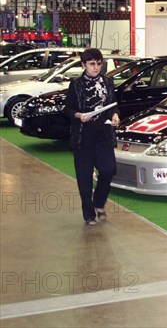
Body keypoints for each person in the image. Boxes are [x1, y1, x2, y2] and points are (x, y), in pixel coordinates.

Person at [64, 48, 120, 226]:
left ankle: (99, 201)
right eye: (91, 64)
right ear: (83, 65)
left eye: (98, 63)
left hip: (103, 135)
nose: (96, 68)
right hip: (83, 137)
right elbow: (67, 109)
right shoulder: (76, 84)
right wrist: (79, 115)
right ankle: (89, 213)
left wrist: (115, 115)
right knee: (84, 177)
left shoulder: (108, 82)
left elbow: (113, 105)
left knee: (108, 169)